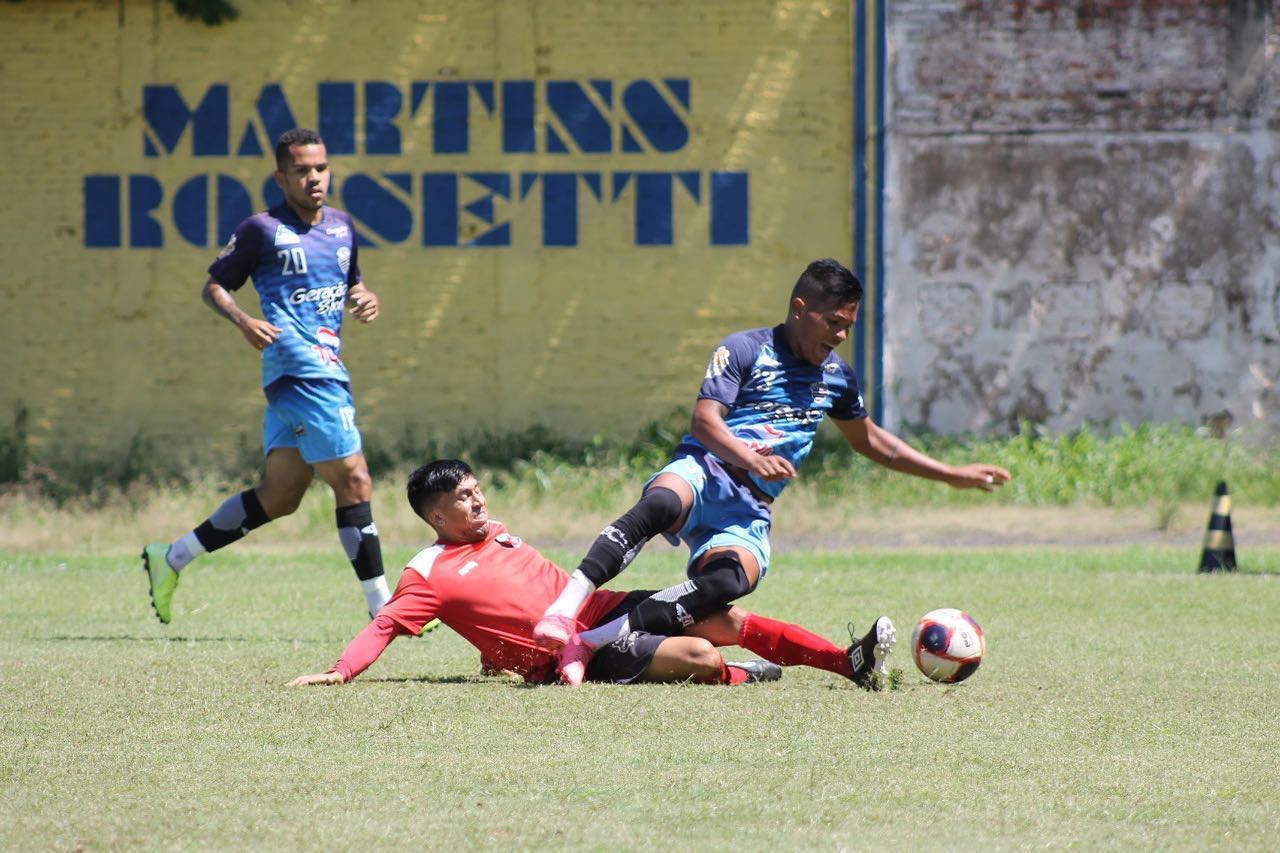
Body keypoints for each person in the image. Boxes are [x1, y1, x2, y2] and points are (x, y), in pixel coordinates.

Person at [534, 258, 1011, 688]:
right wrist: (749, 456)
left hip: (748, 508)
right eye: (834, 323)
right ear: (800, 308)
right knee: (659, 504)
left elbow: (871, 441)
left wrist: (950, 473)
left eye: (849, 326)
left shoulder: (837, 377)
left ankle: (590, 640)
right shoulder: (744, 349)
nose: (841, 336)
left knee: (725, 586)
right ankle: (563, 611)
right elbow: (705, 420)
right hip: (705, 468)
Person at [288, 459, 889, 688]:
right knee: (703, 657)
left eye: (478, 489)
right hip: (574, 654)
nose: (479, 502)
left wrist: (492, 651)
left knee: (724, 614)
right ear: (434, 514)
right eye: (465, 498)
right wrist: (340, 672)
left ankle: (846, 662)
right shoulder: (427, 573)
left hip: (603, 612)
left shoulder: (496, 532)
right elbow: (387, 626)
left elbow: (512, 598)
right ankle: (741, 677)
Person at [141, 128, 391, 623]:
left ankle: (170, 558)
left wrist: (365, 296)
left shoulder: (342, 226)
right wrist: (243, 320)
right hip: (301, 370)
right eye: (300, 170)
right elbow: (214, 286)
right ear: (281, 177)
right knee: (355, 479)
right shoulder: (261, 229)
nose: (312, 177)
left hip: (311, 373)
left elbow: (351, 281)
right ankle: (383, 608)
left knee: (280, 497)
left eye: (319, 168)